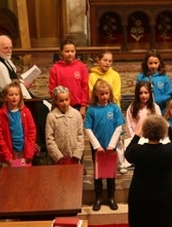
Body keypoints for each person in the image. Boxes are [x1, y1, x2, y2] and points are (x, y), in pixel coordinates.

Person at [85, 79, 124, 211]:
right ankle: (98, 198)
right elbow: (88, 129)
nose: (104, 96)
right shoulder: (92, 110)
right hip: (98, 147)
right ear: (96, 94)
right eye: (101, 94)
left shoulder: (114, 108)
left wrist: (112, 144)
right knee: (98, 172)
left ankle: (111, 197)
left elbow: (119, 126)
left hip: (110, 146)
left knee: (110, 172)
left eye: (106, 93)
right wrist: (97, 146)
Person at [88, 51, 125, 173]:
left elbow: (116, 92)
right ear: (98, 60)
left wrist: (109, 103)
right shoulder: (92, 75)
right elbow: (91, 90)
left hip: (112, 107)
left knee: (116, 139)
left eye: (110, 61)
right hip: (98, 107)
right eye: (105, 60)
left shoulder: (115, 75)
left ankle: (120, 163)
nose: (107, 63)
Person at [0, 82, 37, 166]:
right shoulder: (0, 115)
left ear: (20, 97)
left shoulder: (26, 112)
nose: (14, 97)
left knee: (25, 177)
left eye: (16, 94)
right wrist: (7, 157)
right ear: (5, 97)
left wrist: (29, 153)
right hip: (9, 154)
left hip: (24, 152)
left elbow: (32, 132)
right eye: (11, 94)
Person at [48, 38, 89, 118]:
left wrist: (83, 106)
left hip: (77, 106)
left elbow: (85, 87)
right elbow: (52, 88)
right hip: (61, 106)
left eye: (72, 51)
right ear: (61, 52)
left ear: (75, 52)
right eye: (67, 51)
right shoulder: (55, 68)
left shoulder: (81, 67)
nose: (70, 54)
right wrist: (57, 103)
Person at [0, 35, 34, 99]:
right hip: (11, 103)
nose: (9, 50)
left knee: (45, 104)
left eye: (10, 48)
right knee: (43, 107)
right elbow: (7, 89)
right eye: (6, 48)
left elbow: (12, 80)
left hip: (17, 97)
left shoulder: (5, 60)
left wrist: (23, 82)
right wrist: (23, 85)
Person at [45, 86, 85, 165]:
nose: (64, 102)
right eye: (61, 100)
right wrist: (58, 156)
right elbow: (49, 139)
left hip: (74, 158)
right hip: (59, 160)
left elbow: (80, 135)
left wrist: (77, 154)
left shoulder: (76, 114)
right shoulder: (52, 116)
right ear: (56, 101)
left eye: (66, 100)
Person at [135, 49, 172, 114]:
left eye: (155, 63)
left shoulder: (164, 77)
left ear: (159, 62)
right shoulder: (141, 77)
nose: (153, 66)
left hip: (161, 109)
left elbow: (168, 93)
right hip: (145, 109)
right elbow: (137, 92)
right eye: (150, 63)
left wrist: (158, 100)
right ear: (146, 63)